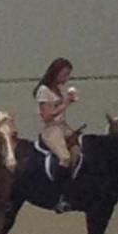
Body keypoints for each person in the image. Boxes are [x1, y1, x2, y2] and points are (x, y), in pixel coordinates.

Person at [34, 57, 78, 213]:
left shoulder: (58, 90)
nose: (66, 78)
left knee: (79, 150)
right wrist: (65, 103)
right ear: (56, 72)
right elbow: (47, 116)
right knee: (65, 158)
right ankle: (58, 195)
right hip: (51, 129)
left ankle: (74, 188)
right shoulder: (44, 90)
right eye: (65, 74)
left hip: (63, 126)